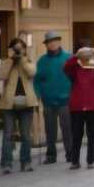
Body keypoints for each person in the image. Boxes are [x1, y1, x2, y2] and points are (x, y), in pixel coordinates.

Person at [64, 43, 94, 170]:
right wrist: (76, 57)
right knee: (76, 135)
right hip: (77, 106)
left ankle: (90, 160)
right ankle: (75, 161)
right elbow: (66, 67)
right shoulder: (75, 67)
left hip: (93, 105)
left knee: (92, 135)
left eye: (88, 53)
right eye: (83, 54)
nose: (86, 56)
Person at [0, 38, 38, 174]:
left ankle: (26, 162)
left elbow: (32, 72)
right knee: (8, 134)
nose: (17, 51)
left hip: (27, 103)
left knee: (26, 135)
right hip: (9, 104)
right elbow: (2, 75)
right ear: (10, 49)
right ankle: (6, 164)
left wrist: (21, 59)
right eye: (15, 48)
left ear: (24, 49)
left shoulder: (28, 61)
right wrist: (10, 59)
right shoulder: (6, 62)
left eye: (20, 48)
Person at [34, 31, 72, 164]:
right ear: (46, 45)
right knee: (50, 130)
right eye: (49, 42)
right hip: (48, 100)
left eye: (54, 41)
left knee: (67, 128)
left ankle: (70, 154)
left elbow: (75, 77)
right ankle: (51, 155)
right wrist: (37, 95)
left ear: (59, 42)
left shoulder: (69, 58)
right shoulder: (42, 61)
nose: (52, 44)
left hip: (66, 100)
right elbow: (37, 80)